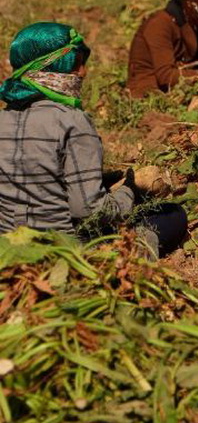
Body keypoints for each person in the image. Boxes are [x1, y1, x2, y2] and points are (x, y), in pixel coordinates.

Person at [0, 22, 187, 258]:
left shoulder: (3, 118)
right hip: (61, 252)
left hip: (8, 248)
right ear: (57, 67)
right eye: (77, 64)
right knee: (172, 215)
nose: (83, 72)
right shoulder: (72, 122)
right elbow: (88, 209)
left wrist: (105, 179)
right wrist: (130, 191)